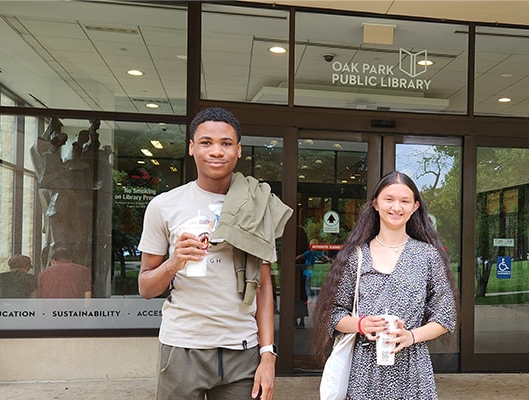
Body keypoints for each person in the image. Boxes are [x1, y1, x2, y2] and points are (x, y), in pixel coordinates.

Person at [138, 107, 292, 400]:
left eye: (226, 143)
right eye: (206, 142)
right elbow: (146, 287)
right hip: (183, 347)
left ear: (238, 150)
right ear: (192, 148)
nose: (217, 151)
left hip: (242, 350)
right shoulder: (164, 206)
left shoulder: (256, 204)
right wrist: (174, 262)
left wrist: (268, 355)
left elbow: (264, 285)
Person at [312, 170, 458, 399]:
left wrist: (410, 336)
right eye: (389, 199)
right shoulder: (357, 256)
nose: (396, 207)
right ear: (376, 204)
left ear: (415, 206)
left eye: (404, 201)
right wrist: (361, 324)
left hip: (413, 371)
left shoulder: (428, 256)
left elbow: (445, 315)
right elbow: (331, 314)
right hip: (364, 372)